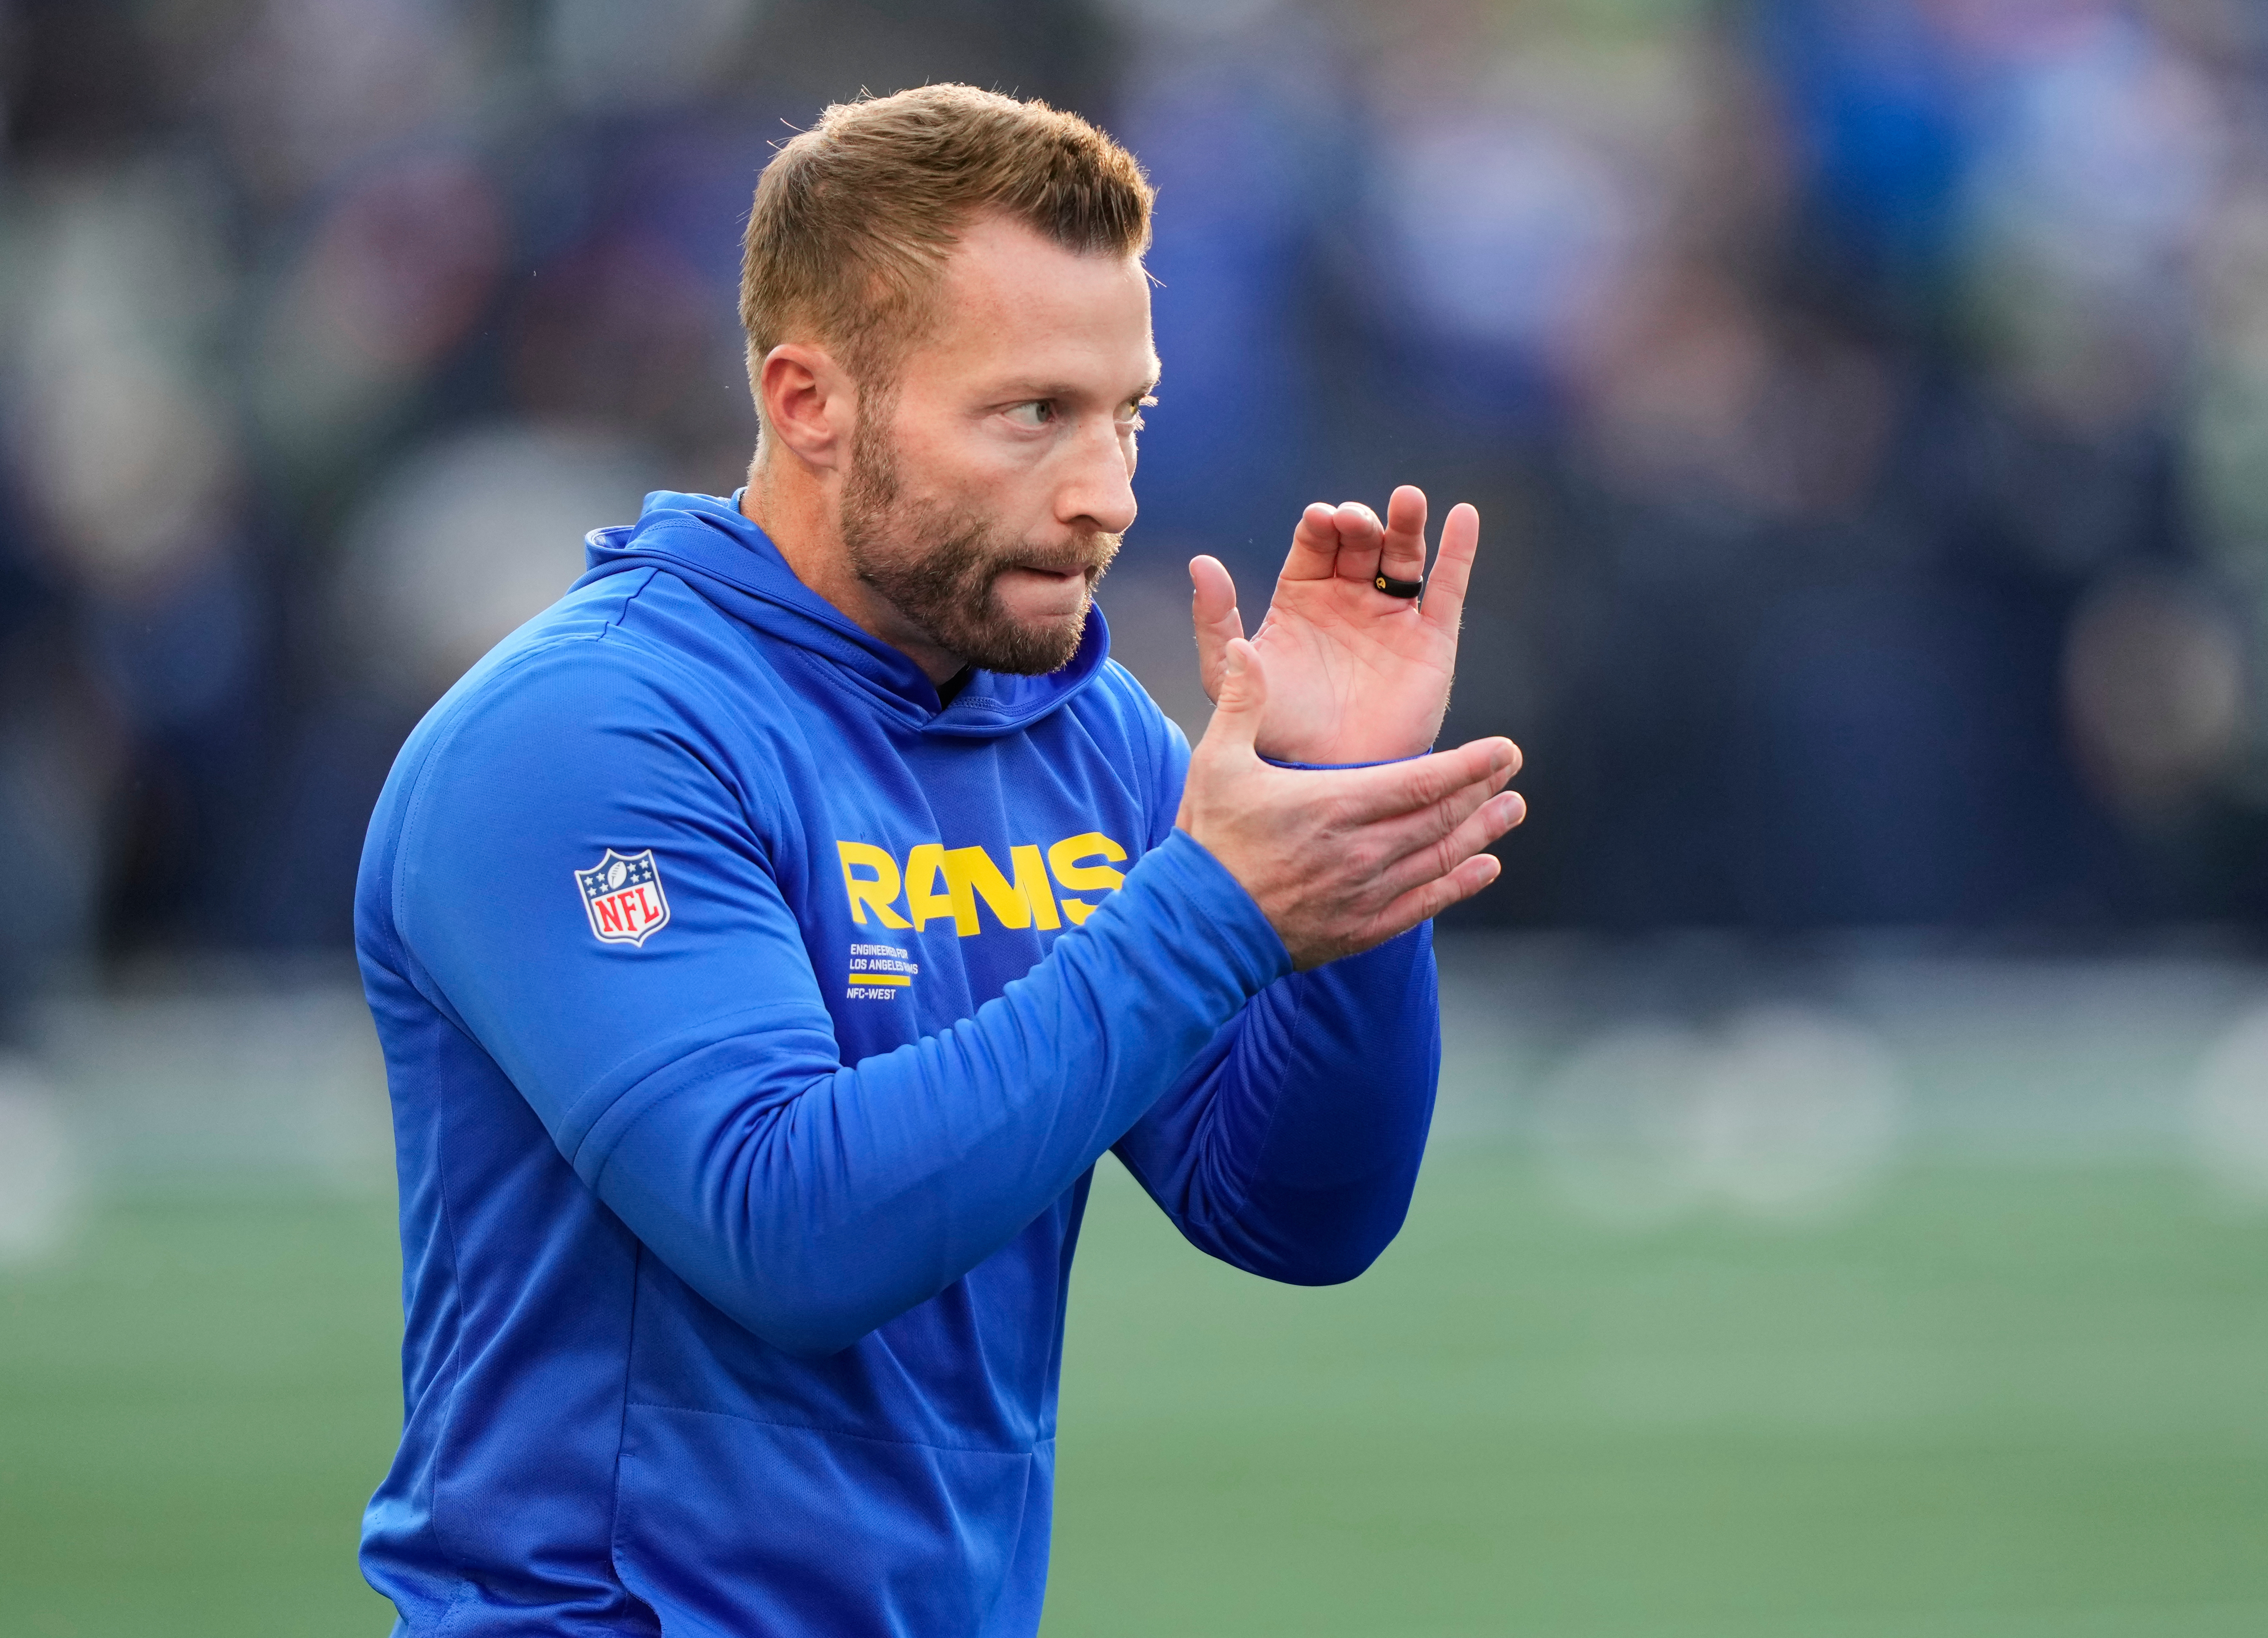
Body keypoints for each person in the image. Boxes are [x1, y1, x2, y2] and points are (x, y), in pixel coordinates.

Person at [353, 83, 1525, 1636]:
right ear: (808, 400)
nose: (1105, 488)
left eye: (1128, 414)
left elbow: (1295, 1213)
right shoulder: (580, 738)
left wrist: (1341, 806)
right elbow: (780, 1224)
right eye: (1031, 412)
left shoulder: (1076, 726)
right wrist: (1214, 911)